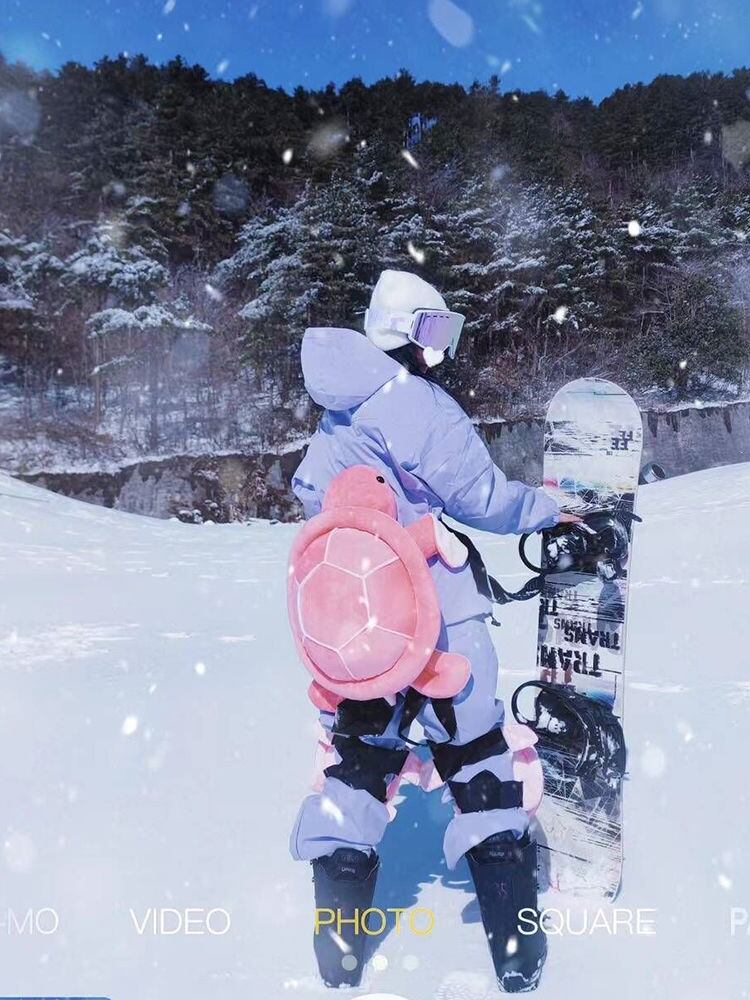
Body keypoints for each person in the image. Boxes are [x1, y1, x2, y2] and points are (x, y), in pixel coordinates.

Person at [289, 269, 579, 992]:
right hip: (439, 616)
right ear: (406, 330)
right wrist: (548, 509)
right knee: (478, 759)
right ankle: (518, 956)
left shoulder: (337, 413)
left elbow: (312, 496)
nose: (441, 349)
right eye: (434, 330)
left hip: (360, 632)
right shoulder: (412, 400)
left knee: (358, 766)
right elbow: (478, 495)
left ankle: (339, 955)